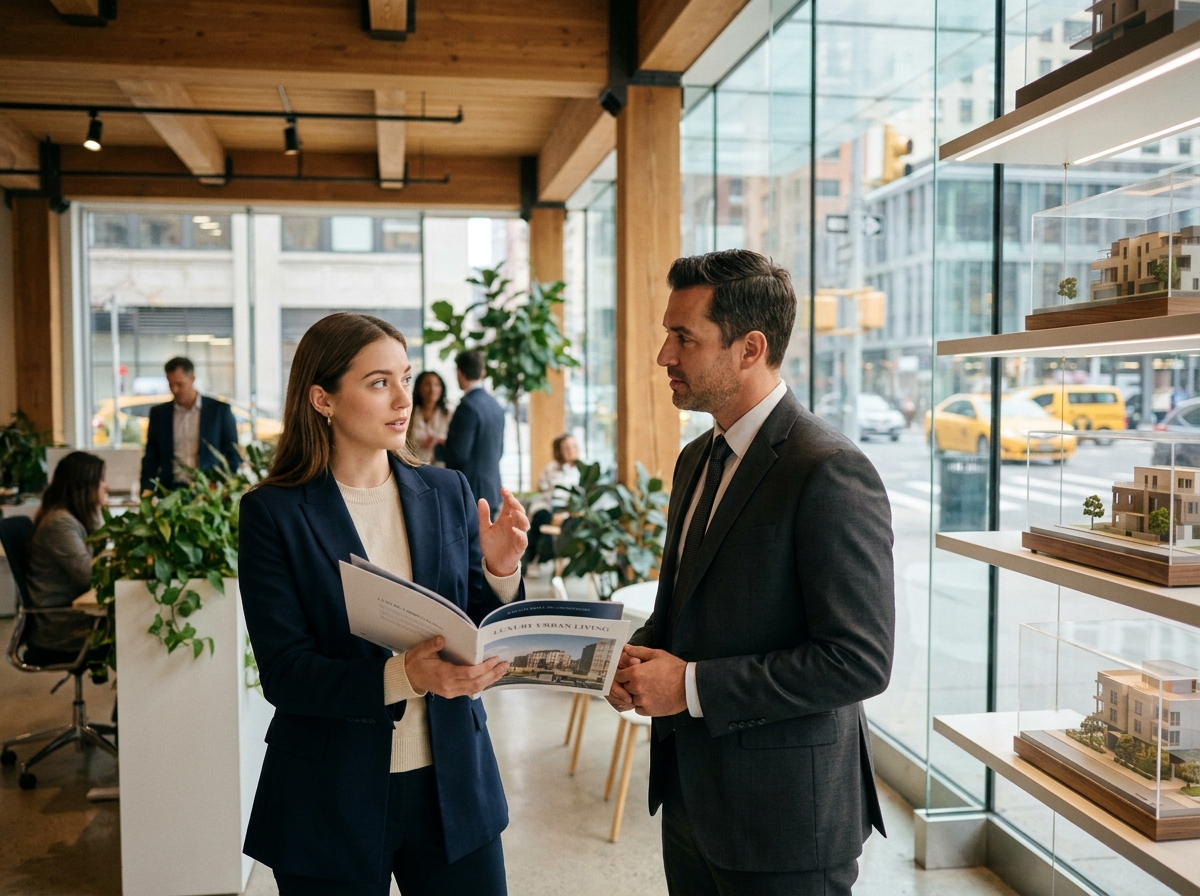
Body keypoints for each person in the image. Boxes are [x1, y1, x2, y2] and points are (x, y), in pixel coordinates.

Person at [607, 249, 895, 896]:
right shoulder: (694, 460)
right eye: (667, 334)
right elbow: (686, 609)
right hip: (690, 799)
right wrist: (628, 660)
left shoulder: (827, 470)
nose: (664, 356)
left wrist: (692, 687)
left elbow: (858, 660)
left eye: (684, 337)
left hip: (786, 822)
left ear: (749, 348)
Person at [238, 312, 529, 895]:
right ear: (322, 399)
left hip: (452, 782)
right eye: (378, 383)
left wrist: (500, 570)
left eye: (406, 376)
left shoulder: (446, 493)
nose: (405, 399)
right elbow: (285, 674)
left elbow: (476, 625)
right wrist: (403, 675)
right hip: (329, 792)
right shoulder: (272, 513)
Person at [26, 451, 107, 656]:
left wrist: (96, 513)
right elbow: (90, 577)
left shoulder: (69, 518)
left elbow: (96, 555)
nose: (106, 486)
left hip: (73, 615)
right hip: (63, 627)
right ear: (85, 486)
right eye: (101, 480)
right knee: (137, 625)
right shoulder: (59, 523)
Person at [140, 356, 240, 493]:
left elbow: (232, 453)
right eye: (171, 384)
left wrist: (227, 485)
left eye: (180, 384)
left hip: (209, 491)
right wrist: (147, 488)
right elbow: (151, 456)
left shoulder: (219, 411)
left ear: (192, 379)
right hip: (170, 490)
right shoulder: (159, 414)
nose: (175, 390)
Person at [444, 350, 505, 517]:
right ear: (483, 372)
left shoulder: (467, 407)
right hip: (491, 490)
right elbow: (499, 451)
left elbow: (459, 454)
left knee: (471, 543)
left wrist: (437, 448)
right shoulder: (496, 406)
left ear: (459, 373)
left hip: (471, 491)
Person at [522, 432, 581, 569]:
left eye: (573, 446)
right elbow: (544, 490)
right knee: (540, 518)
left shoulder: (582, 470)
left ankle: (548, 560)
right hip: (549, 506)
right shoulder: (551, 468)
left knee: (569, 526)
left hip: (570, 512)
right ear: (559, 450)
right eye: (566, 447)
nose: (571, 450)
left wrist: (565, 513)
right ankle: (531, 560)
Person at [407, 371, 452, 465]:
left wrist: (437, 440)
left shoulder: (449, 413)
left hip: (442, 469)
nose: (432, 389)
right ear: (419, 387)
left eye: (436, 385)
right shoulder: (410, 413)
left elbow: (458, 443)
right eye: (427, 384)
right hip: (414, 467)